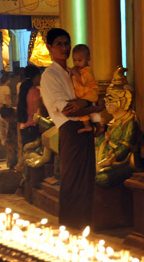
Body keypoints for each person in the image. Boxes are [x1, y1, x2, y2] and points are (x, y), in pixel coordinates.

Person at [40, 28, 103, 229]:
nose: (64, 48)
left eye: (67, 43)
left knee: (86, 182)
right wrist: (95, 106)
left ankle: (84, 228)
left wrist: (87, 104)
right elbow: (68, 110)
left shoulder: (73, 72)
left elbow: (89, 96)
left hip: (84, 130)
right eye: (59, 43)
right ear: (49, 47)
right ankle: (70, 229)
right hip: (69, 130)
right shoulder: (50, 75)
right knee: (73, 182)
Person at [71, 44, 99, 134]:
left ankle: (87, 126)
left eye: (79, 60)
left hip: (90, 95)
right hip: (84, 95)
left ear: (88, 59)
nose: (76, 63)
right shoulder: (80, 71)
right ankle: (98, 126)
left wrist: (75, 72)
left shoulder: (87, 71)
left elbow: (83, 81)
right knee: (90, 113)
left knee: (80, 111)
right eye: (74, 60)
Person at [17, 65, 42, 147]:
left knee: (28, 153)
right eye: (40, 75)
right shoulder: (34, 91)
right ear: (36, 76)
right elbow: (39, 112)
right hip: (33, 127)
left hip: (24, 128)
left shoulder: (24, 90)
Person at [0, 72, 18, 169]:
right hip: (10, 138)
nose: (9, 121)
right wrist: (6, 143)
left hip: (17, 137)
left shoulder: (16, 113)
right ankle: (11, 165)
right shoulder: (2, 119)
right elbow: (1, 132)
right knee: (11, 156)